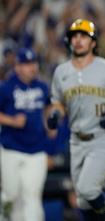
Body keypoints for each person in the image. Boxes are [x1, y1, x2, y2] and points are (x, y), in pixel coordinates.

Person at [46, 18, 105, 221]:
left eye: (83, 36)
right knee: (83, 201)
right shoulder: (61, 72)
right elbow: (58, 101)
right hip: (77, 141)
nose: (78, 40)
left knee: (88, 189)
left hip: (103, 137)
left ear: (93, 42)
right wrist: (56, 114)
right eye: (74, 36)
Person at [0, 47, 52, 221]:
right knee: (11, 195)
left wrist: (50, 123)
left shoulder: (42, 86)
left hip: (36, 149)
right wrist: (11, 120)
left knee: (32, 196)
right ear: (17, 67)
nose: (32, 67)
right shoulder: (6, 87)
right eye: (27, 64)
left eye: (34, 63)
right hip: (11, 148)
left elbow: (49, 107)